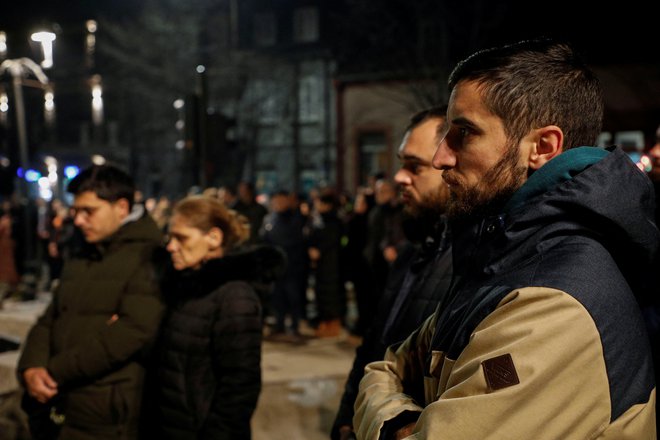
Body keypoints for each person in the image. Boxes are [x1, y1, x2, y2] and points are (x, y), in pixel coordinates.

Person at [353, 39, 657, 439]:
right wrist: (400, 419)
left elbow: (386, 379)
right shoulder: (502, 258)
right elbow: (387, 364)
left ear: (543, 147)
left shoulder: (553, 297)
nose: (441, 156)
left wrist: (386, 418)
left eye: (464, 133)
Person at [16, 164, 165, 439]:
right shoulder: (84, 250)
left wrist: (54, 371)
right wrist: (31, 366)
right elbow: (52, 316)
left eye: (89, 211)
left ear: (121, 207)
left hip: (107, 412)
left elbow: (132, 332)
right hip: (63, 404)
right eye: (76, 211)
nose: (80, 220)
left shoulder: (149, 256)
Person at [332, 106, 452, 440]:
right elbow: (373, 346)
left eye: (415, 167)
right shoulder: (410, 254)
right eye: (401, 165)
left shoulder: (472, 265)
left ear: (451, 164)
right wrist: (346, 416)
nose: (399, 177)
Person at [150, 195, 285, 439]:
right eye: (170, 237)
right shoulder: (181, 287)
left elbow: (239, 389)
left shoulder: (235, 297)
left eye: (181, 238)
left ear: (213, 238)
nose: (171, 246)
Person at [260, 190, 309, 342]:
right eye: (276, 201)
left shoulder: (297, 218)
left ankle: (295, 327)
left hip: (293, 266)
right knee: (277, 298)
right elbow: (264, 239)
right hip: (276, 267)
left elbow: (299, 241)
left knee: (293, 297)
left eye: (281, 201)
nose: (278, 204)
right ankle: (279, 325)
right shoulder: (269, 219)